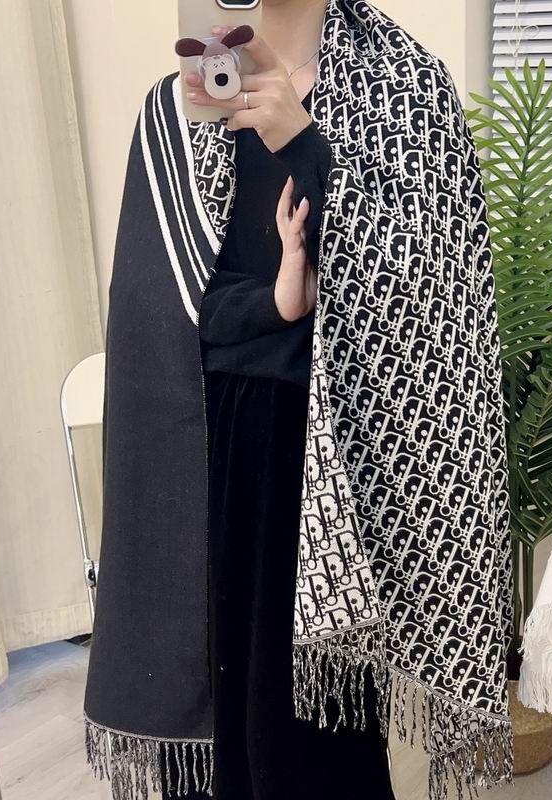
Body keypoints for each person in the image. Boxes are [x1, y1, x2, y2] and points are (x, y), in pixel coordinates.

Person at [160, 5, 395, 796]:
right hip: (213, 433)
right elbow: (178, 304)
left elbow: (411, 290)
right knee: (229, 694)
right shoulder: (181, 110)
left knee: (314, 722)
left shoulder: (399, 87)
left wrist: (305, 144)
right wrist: (279, 303)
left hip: (329, 444)